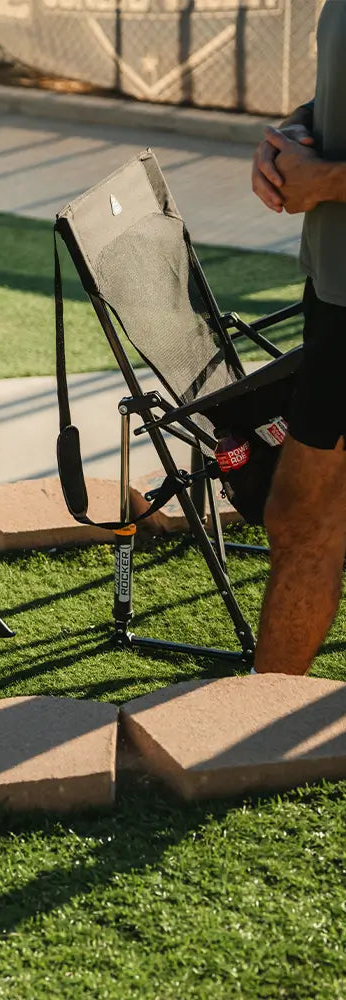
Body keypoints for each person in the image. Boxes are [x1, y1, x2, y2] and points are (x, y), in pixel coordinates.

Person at [249, 0, 346, 675]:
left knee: (303, 516)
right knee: (308, 515)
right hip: (334, 284)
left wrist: (330, 179)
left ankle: (259, 716)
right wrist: (294, 134)